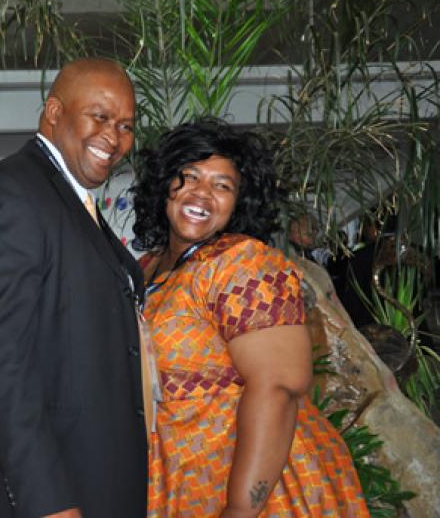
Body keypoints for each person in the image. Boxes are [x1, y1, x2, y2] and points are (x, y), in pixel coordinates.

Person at [0, 58, 147, 518]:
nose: (114, 137)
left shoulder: (67, 198)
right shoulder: (9, 194)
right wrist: (47, 498)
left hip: (87, 469)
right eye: (99, 117)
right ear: (54, 112)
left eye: (126, 126)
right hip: (49, 492)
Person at [132, 120, 369, 517]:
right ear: (164, 185)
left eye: (222, 185)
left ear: (239, 203)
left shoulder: (241, 262)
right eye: (189, 176)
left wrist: (241, 508)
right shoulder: (146, 268)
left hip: (257, 489)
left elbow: (278, 385)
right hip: (177, 481)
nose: (202, 193)